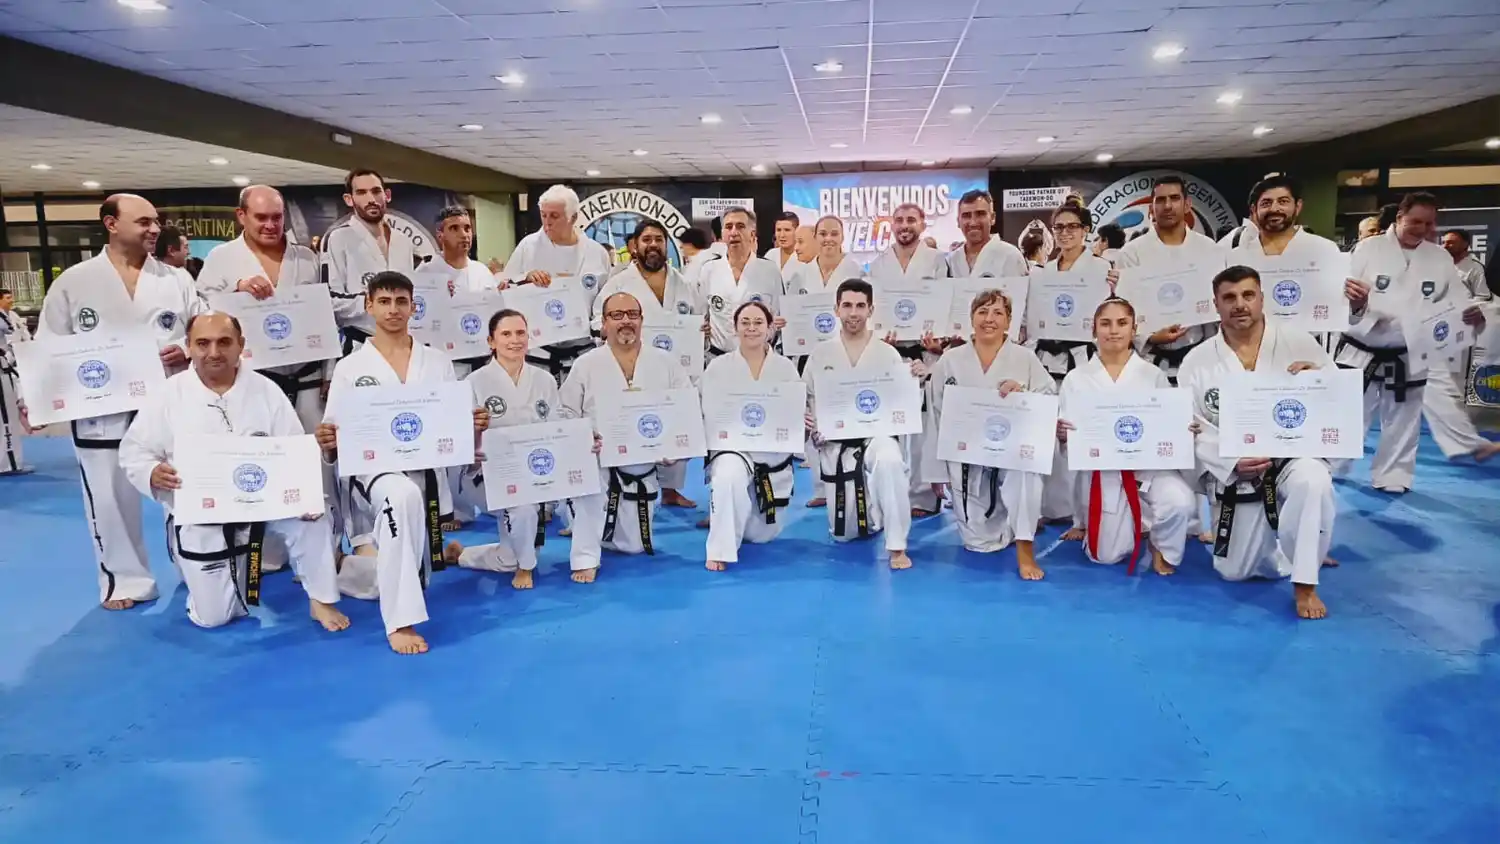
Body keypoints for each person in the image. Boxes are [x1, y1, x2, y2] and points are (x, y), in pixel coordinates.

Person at [118, 312, 349, 632]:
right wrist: (152, 471)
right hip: (201, 510)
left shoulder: (266, 390)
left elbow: (295, 449)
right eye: (203, 343)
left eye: (224, 342)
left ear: (241, 345)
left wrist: (304, 496)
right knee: (215, 617)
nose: (214, 352)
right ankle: (197, 575)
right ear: (187, 347)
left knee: (315, 514)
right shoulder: (168, 394)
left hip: (263, 501)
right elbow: (134, 452)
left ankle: (321, 598)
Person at [31, 194, 204, 610]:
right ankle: (126, 580)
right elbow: (48, 346)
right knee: (108, 495)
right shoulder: (74, 281)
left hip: (167, 399)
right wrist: (37, 399)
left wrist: (185, 346)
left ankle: (196, 567)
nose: (154, 229)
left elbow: (202, 323)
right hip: (99, 407)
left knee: (182, 487)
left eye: (156, 221)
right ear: (111, 224)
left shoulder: (175, 279)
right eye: (144, 221)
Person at [1181, 265, 1366, 619]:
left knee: (1313, 480)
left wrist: (1318, 381)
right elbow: (1192, 426)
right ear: (1215, 305)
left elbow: (1335, 400)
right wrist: (1230, 461)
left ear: (1262, 298)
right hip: (1238, 471)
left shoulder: (1297, 341)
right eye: (1229, 297)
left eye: (1248, 295)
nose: (1240, 304)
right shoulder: (1198, 360)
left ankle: (1306, 581)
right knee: (1236, 572)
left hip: (1291, 458)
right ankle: (1297, 540)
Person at [317, 271, 484, 655]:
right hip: (374, 472)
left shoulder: (438, 361)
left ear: (413, 306)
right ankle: (400, 621)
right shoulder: (350, 368)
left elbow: (451, 430)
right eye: (384, 301)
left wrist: (471, 424)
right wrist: (327, 440)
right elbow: (334, 431)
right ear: (369, 305)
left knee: (412, 573)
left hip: (425, 472)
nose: (393, 310)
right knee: (402, 496)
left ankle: (343, 570)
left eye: (401, 301)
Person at [1338, 192, 1484, 492]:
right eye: (1416, 221)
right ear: (1399, 217)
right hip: (1361, 348)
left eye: (1429, 223)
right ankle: (1333, 464)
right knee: (1348, 414)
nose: (1423, 228)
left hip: (1409, 351)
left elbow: (1455, 298)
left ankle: (1394, 476)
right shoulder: (1368, 248)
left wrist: (1468, 312)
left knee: (1403, 420)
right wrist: (1358, 305)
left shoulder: (1439, 257)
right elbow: (1344, 293)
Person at [1057, 298, 1196, 577]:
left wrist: (1184, 428)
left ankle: (1162, 546)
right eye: (1105, 323)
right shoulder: (1077, 378)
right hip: (1103, 472)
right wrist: (1062, 436)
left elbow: (1168, 424)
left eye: (1122, 323)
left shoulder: (1152, 374)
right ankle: (1126, 525)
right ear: (1093, 330)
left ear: (1134, 329)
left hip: (1148, 469)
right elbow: (1072, 439)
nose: (1114, 330)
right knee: (1106, 557)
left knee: (1179, 501)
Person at [560, 291, 692, 582]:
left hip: (642, 460)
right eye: (617, 316)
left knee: (631, 546)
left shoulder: (665, 362)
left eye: (632, 315)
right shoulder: (587, 364)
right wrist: (585, 436)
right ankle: (585, 556)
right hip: (597, 456)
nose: (625, 321)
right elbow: (566, 412)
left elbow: (685, 411)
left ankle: (583, 518)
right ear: (604, 323)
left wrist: (675, 448)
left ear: (642, 320)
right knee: (590, 482)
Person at [929, 289, 1050, 577]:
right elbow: (935, 413)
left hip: (1012, 451)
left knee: (1026, 475)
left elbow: (1047, 397)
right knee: (980, 544)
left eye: (998, 313)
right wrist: (935, 472)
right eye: (982, 311)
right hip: (966, 455)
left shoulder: (1025, 358)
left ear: (1009, 321)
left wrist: (1023, 393)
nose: (989, 319)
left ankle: (1025, 546)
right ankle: (1011, 522)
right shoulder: (950, 360)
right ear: (971, 318)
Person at [804, 278, 920, 570]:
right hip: (835, 442)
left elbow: (902, 404)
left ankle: (897, 546)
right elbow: (806, 400)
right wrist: (811, 423)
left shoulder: (887, 353)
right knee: (845, 534)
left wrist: (916, 378)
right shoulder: (820, 354)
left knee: (890, 459)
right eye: (847, 306)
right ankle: (869, 513)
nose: (853, 312)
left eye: (859, 306)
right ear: (836, 309)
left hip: (876, 435)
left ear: (870, 310)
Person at [444, 309, 563, 589]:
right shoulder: (474, 382)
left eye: (520, 333)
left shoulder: (544, 380)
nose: (514, 340)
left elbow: (557, 427)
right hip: (485, 473)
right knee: (521, 508)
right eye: (506, 334)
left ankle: (461, 555)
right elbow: (458, 444)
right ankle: (526, 567)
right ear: (491, 341)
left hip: (534, 469)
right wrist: (475, 429)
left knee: (506, 557)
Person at [196, 185, 326, 431]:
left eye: (277, 217)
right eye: (261, 217)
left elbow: (324, 319)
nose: (270, 225)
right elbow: (201, 312)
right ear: (241, 215)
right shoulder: (221, 257)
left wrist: (329, 372)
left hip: (308, 374)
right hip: (253, 374)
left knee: (313, 449)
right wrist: (236, 292)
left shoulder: (307, 258)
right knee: (260, 449)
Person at [594, 220, 704, 508]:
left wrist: (700, 331)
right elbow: (598, 320)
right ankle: (628, 481)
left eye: (659, 239)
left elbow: (698, 317)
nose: (653, 244)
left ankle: (671, 488)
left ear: (666, 245)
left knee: (675, 415)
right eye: (646, 239)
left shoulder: (684, 283)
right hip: (631, 364)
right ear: (635, 246)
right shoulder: (618, 283)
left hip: (676, 365)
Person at [703, 301, 800, 571]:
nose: (751, 328)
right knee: (728, 475)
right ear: (735, 329)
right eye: (745, 322)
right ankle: (720, 549)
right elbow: (705, 409)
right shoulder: (718, 368)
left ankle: (730, 513)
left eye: (758, 322)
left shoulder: (785, 368)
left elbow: (794, 412)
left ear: (770, 329)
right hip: (733, 449)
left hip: (772, 459)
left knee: (759, 537)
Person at [868, 202, 950, 516]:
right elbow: (874, 308)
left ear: (922, 224)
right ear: (891, 225)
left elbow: (945, 302)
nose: (905, 225)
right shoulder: (878, 264)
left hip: (925, 352)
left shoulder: (938, 261)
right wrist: (879, 334)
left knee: (924, 428)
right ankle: (890, 492)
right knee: (891, 424)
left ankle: (923, 497)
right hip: (890, 353)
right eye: (899, 220)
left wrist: (939, 338)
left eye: (911, 220)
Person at [1035, 201, 1111, 535]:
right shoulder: (1043, 274)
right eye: (1059, 228)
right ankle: (1047, 507)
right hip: (1046, 357)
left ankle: (1081, 517)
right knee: (1046, 431)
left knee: (1077, 433)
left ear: (1085, 230)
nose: (1065, 233)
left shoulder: (1103, 269)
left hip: (1082, 358)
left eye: (1072, 227)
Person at [1114, 175, 1227, 385]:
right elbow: (1124, 311)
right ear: (1151, 207)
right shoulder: (1132, 253)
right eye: (1160, 200)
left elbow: (1220, 303)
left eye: (1174, 198)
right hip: (1151, 358)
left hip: (1201, 353)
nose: (1167, 206)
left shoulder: (1209, 248)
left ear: (1187, 204)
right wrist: (1150, 337)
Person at [501, 184, 613, 384]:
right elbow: (504, 290)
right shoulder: (528, 247)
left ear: (574, 217)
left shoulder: (596, 253)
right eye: (544, 215)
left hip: (583, 345)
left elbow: (605, 300)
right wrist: (525, 279)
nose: (547, 223)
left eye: (554, 216)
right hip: (539, 347)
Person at [1420, 229, 1500, 462]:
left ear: (1466, 245)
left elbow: (1486, 297)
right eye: (1444, 242)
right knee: (1434, 381)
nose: (1447, 246)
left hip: (1461, 326)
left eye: (1452, 243)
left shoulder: (1474, 268)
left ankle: (1468, 436)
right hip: (1433, 324)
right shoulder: (1438, 265)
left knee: (1449, 381)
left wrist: (1470, 309)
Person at [322, 169, 419, 354]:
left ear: (387, 195)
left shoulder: (403, 241)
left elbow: (412, 292)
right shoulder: (339, 238)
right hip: (361, 344)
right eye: (361, 193)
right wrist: (373, 302)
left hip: (403, 344)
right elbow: (330, 300)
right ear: (349, 199)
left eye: (376, 191)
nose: (371, 199)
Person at [700, 207, 784, 359]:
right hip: (717, 357)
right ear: (723, 234)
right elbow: (701, 315)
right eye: (728, 227)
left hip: (759, 357)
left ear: (752, 234)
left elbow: (777, 315)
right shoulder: (709, 269)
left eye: (740, 226)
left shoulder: (769, 270)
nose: (733, 232)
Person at [946, 190, 1029, 278]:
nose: (973, 222)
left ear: (992, 218)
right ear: (958, 222)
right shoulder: (951, 261)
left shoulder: (1010, 255)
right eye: (966, 215)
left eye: (980, 214)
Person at [786, 215, 864, 297]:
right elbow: (791, 308)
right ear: (815, 237)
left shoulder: (857, 273)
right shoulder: (800, 275)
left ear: (842, 238)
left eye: (834, 234)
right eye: (823, 234)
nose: (828, 238)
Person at [0, 288, 27, 474]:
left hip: (8, 370)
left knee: (7, 417)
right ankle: (10, 463)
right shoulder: (2, 319)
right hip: (2, 372)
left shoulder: (11, 316)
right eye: (7, 297)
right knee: (7, 418)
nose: (11, 300)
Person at [1442, 230, 1490, 300]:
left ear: (1465, 244)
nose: (1445, 246)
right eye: (1443, 242)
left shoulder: (1476, 268)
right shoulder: (1440, 265)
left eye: (1451, 242)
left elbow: (1483, 297)